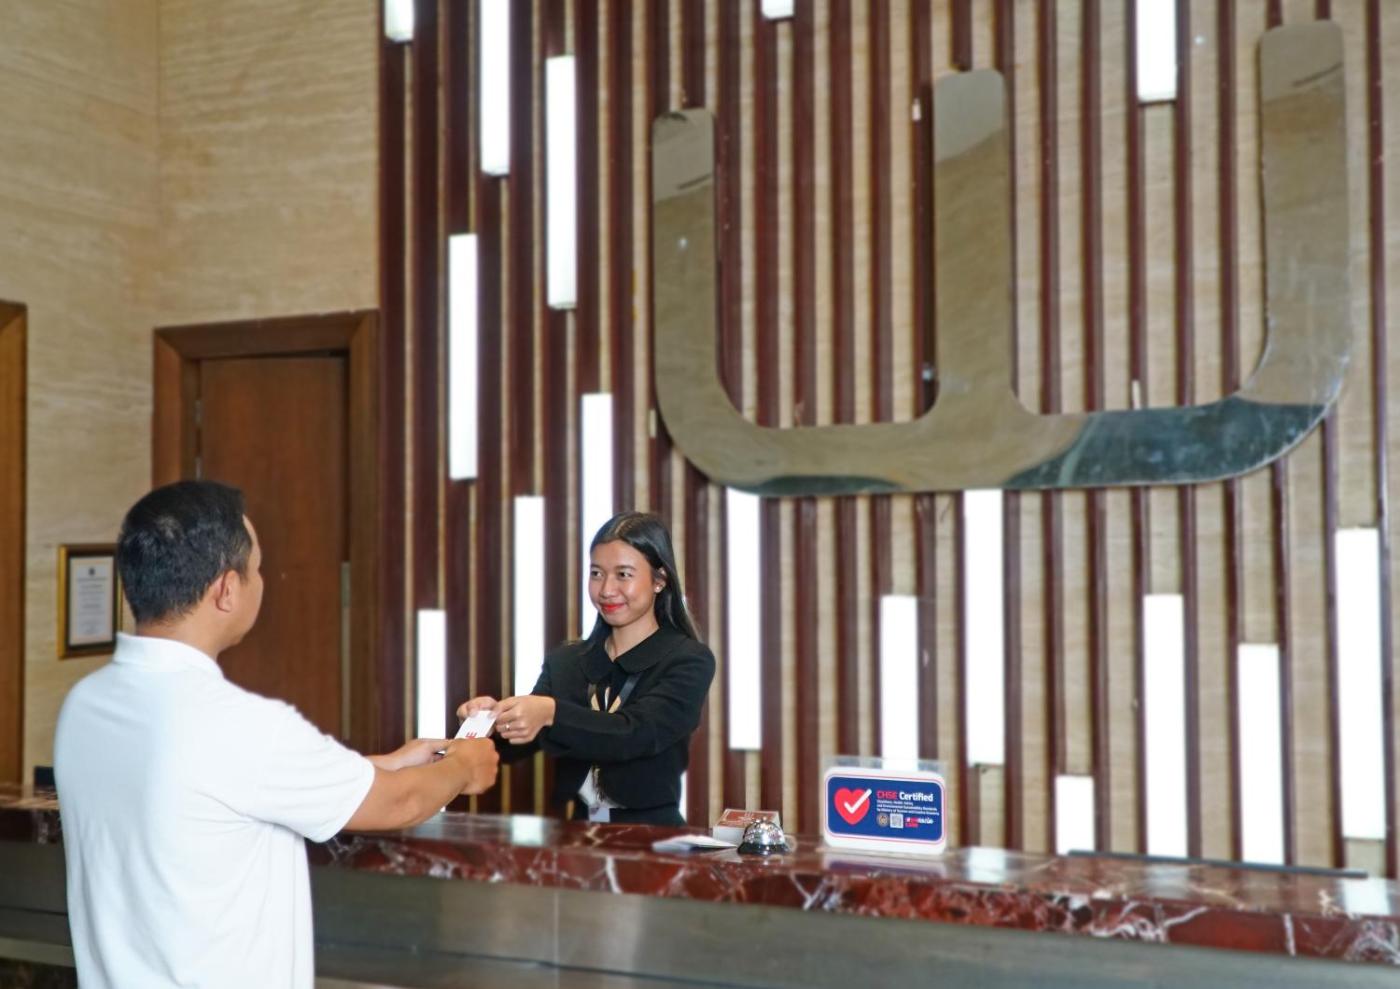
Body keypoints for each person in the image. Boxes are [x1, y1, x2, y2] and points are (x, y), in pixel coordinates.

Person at [53, 480, 498, 989]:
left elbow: (222, 784)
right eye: (257, 568)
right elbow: (399, 804)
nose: (262, 583)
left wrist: (391, 763)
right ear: (226, 590)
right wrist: (464, 766)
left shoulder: (85, 705)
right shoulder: (235, 723)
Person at [461, 511, 715, 826]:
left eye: (623, 574)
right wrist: (489, 721)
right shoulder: (566, 660)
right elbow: (520, 743)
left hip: (654, 833)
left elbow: (637, 733)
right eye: (596, 573)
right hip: (579, 829)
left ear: (659, 580)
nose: (606, 589)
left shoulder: (689, 659)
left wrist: (550, 712)